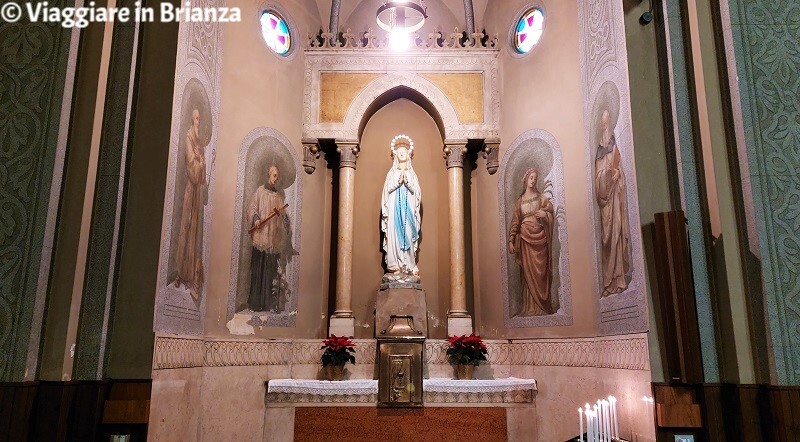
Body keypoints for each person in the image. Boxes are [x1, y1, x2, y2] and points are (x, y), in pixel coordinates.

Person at [508, 168, 555, 316]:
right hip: (525, 240)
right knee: (527, 273)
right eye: (531, 178)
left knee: (540, 273)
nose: (533, 180)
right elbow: (515, 221)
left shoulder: (541, 198)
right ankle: (529, 307)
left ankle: (541, 306)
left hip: (540, 239)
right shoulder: (519, 201)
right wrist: (511, 239)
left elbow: (550, 212)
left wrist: (545, 215)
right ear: (526, 179)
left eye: (535, 178)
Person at [595, 109, 631, 297]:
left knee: (617, 233)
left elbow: (620, 167)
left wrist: (617, 173)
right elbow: (598, 176)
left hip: (616, 196)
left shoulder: (614, 142)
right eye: (602, 122)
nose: (605, 125)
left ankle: (619, 278)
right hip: (606, 199)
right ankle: (609, 281)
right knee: (608, 237)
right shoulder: (599, 150)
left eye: (607, 121)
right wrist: (604, 175)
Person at [247, 164, 292, 312]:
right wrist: (256, 219)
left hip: (273, 241)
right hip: (260, 238)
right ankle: (255, 303)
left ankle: (267, 304)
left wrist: (286, 222)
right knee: (258, 270)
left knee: (270, 272)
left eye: (277, 177)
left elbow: (284, 216)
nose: (275, 179)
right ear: (269, 174)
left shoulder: (278, 197)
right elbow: (252, 207)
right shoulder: (260, 192)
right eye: (274, 176)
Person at [173, 108, 208, 300]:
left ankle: (190, 276)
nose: (198, 122)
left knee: (194, 232)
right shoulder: (188, 138)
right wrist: (198, 162)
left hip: (197, 193)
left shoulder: (199, 143)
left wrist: (201, 161)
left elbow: (201, 178)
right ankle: (180, 272)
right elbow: (192, 170)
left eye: (200, 119)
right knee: (186, 228)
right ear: (191, 119)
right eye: (196, 118)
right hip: (189, 191)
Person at [381, 135, 422, 276]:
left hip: (409, 210)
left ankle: (409, 264)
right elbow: (386, 192)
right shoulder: (392, 173)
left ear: (408, 154)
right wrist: (398, 183)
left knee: (409, 234)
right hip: (394, 211)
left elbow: (417, 194)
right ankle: (394, 264)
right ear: (396, 155)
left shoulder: (412, 174)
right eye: (399, 152)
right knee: (394, 237)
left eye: (404, 151)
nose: (402, 153)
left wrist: (408, 183)